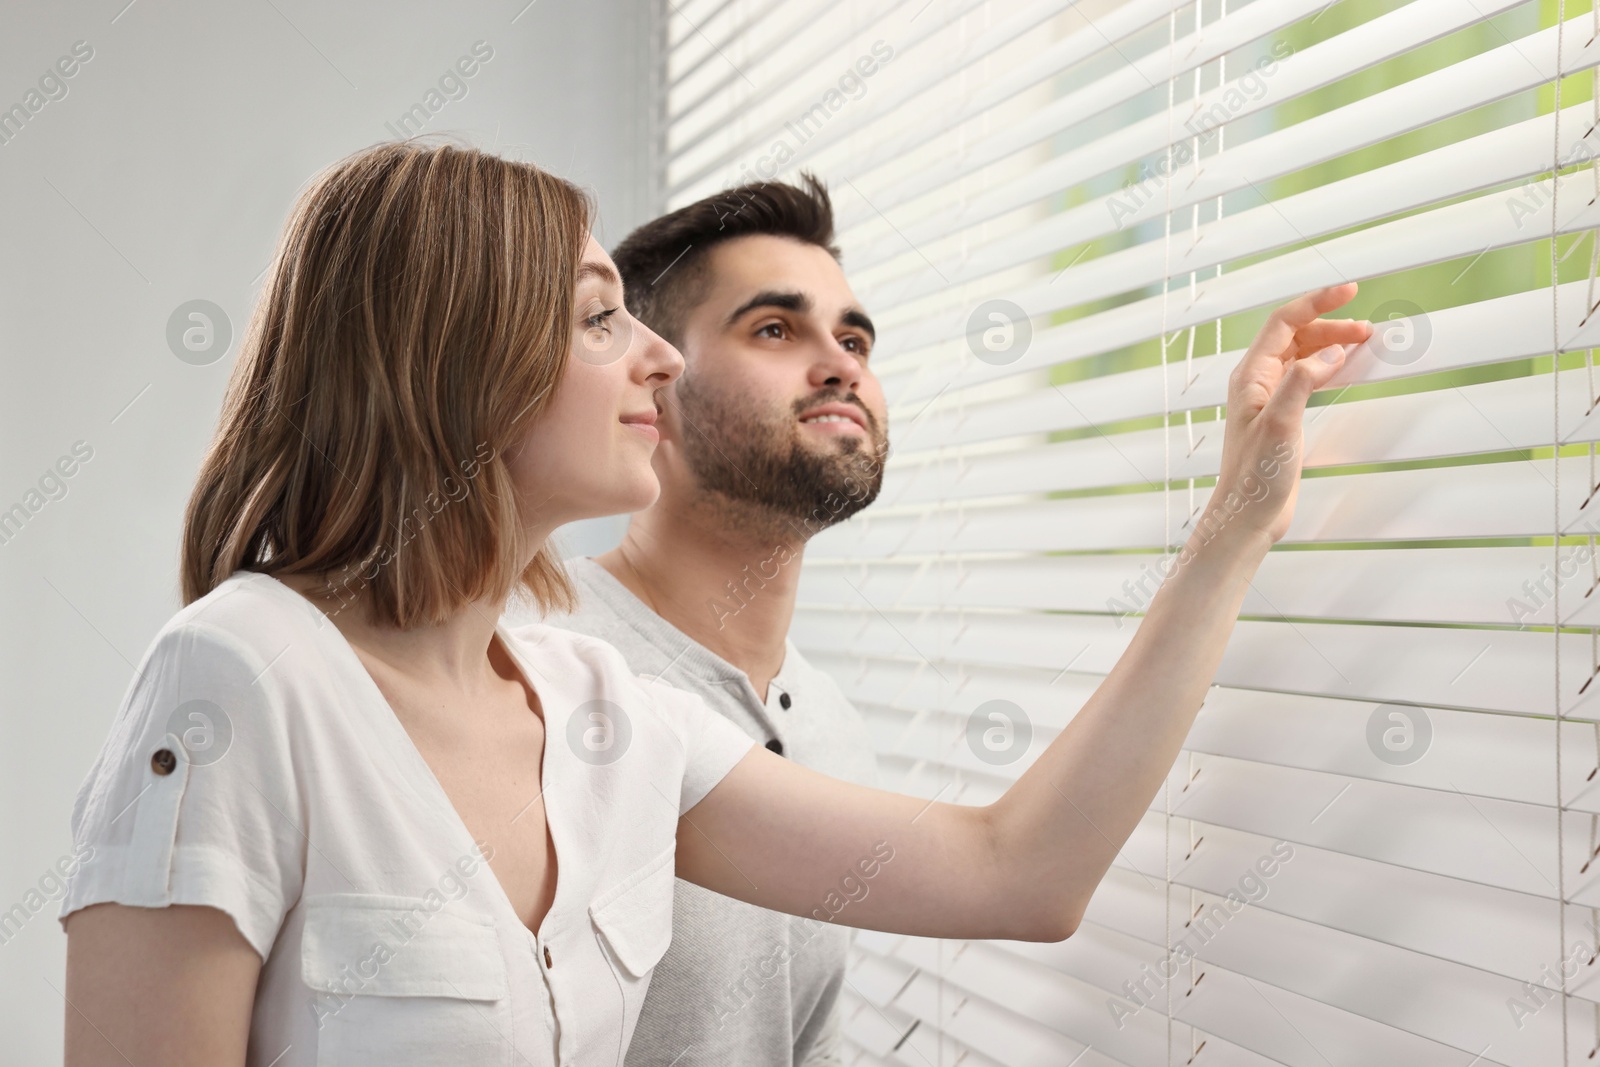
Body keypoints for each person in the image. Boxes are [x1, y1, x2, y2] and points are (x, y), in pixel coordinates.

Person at [58, 140, 1372, 1067]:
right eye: (596, 320)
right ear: (455, 361)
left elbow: (1016, 870)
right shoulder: (240, 676)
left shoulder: (604, 716)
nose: (657, 357)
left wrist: (1233, 526)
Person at [532, 175, 884, 1067]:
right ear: (656, 385)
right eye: (775, 328)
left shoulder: (835, 732)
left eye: (854, 338)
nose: (841, 362)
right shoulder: (523, 665)